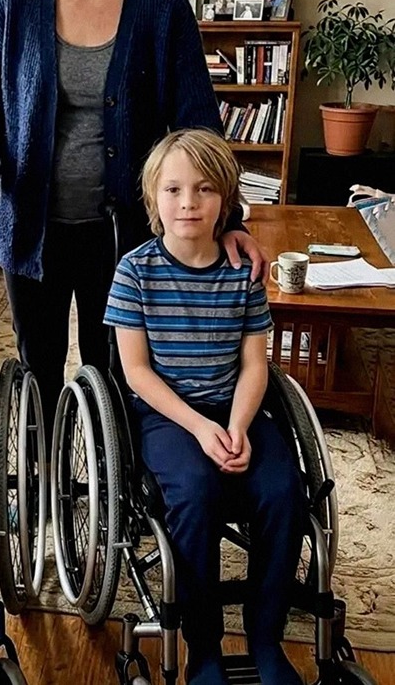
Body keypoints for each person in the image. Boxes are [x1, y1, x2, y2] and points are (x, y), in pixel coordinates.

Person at [0, 0, 266, 447]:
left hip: (125, 235)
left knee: (117, 378)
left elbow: (199, 128)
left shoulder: (160, 4)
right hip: (33, 229)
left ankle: (111, 488)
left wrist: (229, 219)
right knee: (39, 370)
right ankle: (45, 481)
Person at [105, 128, 306, 685]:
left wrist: (237, 425)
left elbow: (255, 365)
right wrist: (198, 427)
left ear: (225, 199)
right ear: (154, 198)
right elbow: (136, 372)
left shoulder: (243, 273)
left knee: (284, 490)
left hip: (235, 404)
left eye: (204, 189)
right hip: (168, 414)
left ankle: (265, 637)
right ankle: (205, 644)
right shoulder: (135, 272)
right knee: (195, 492)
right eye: (173, 189)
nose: (188, 202)